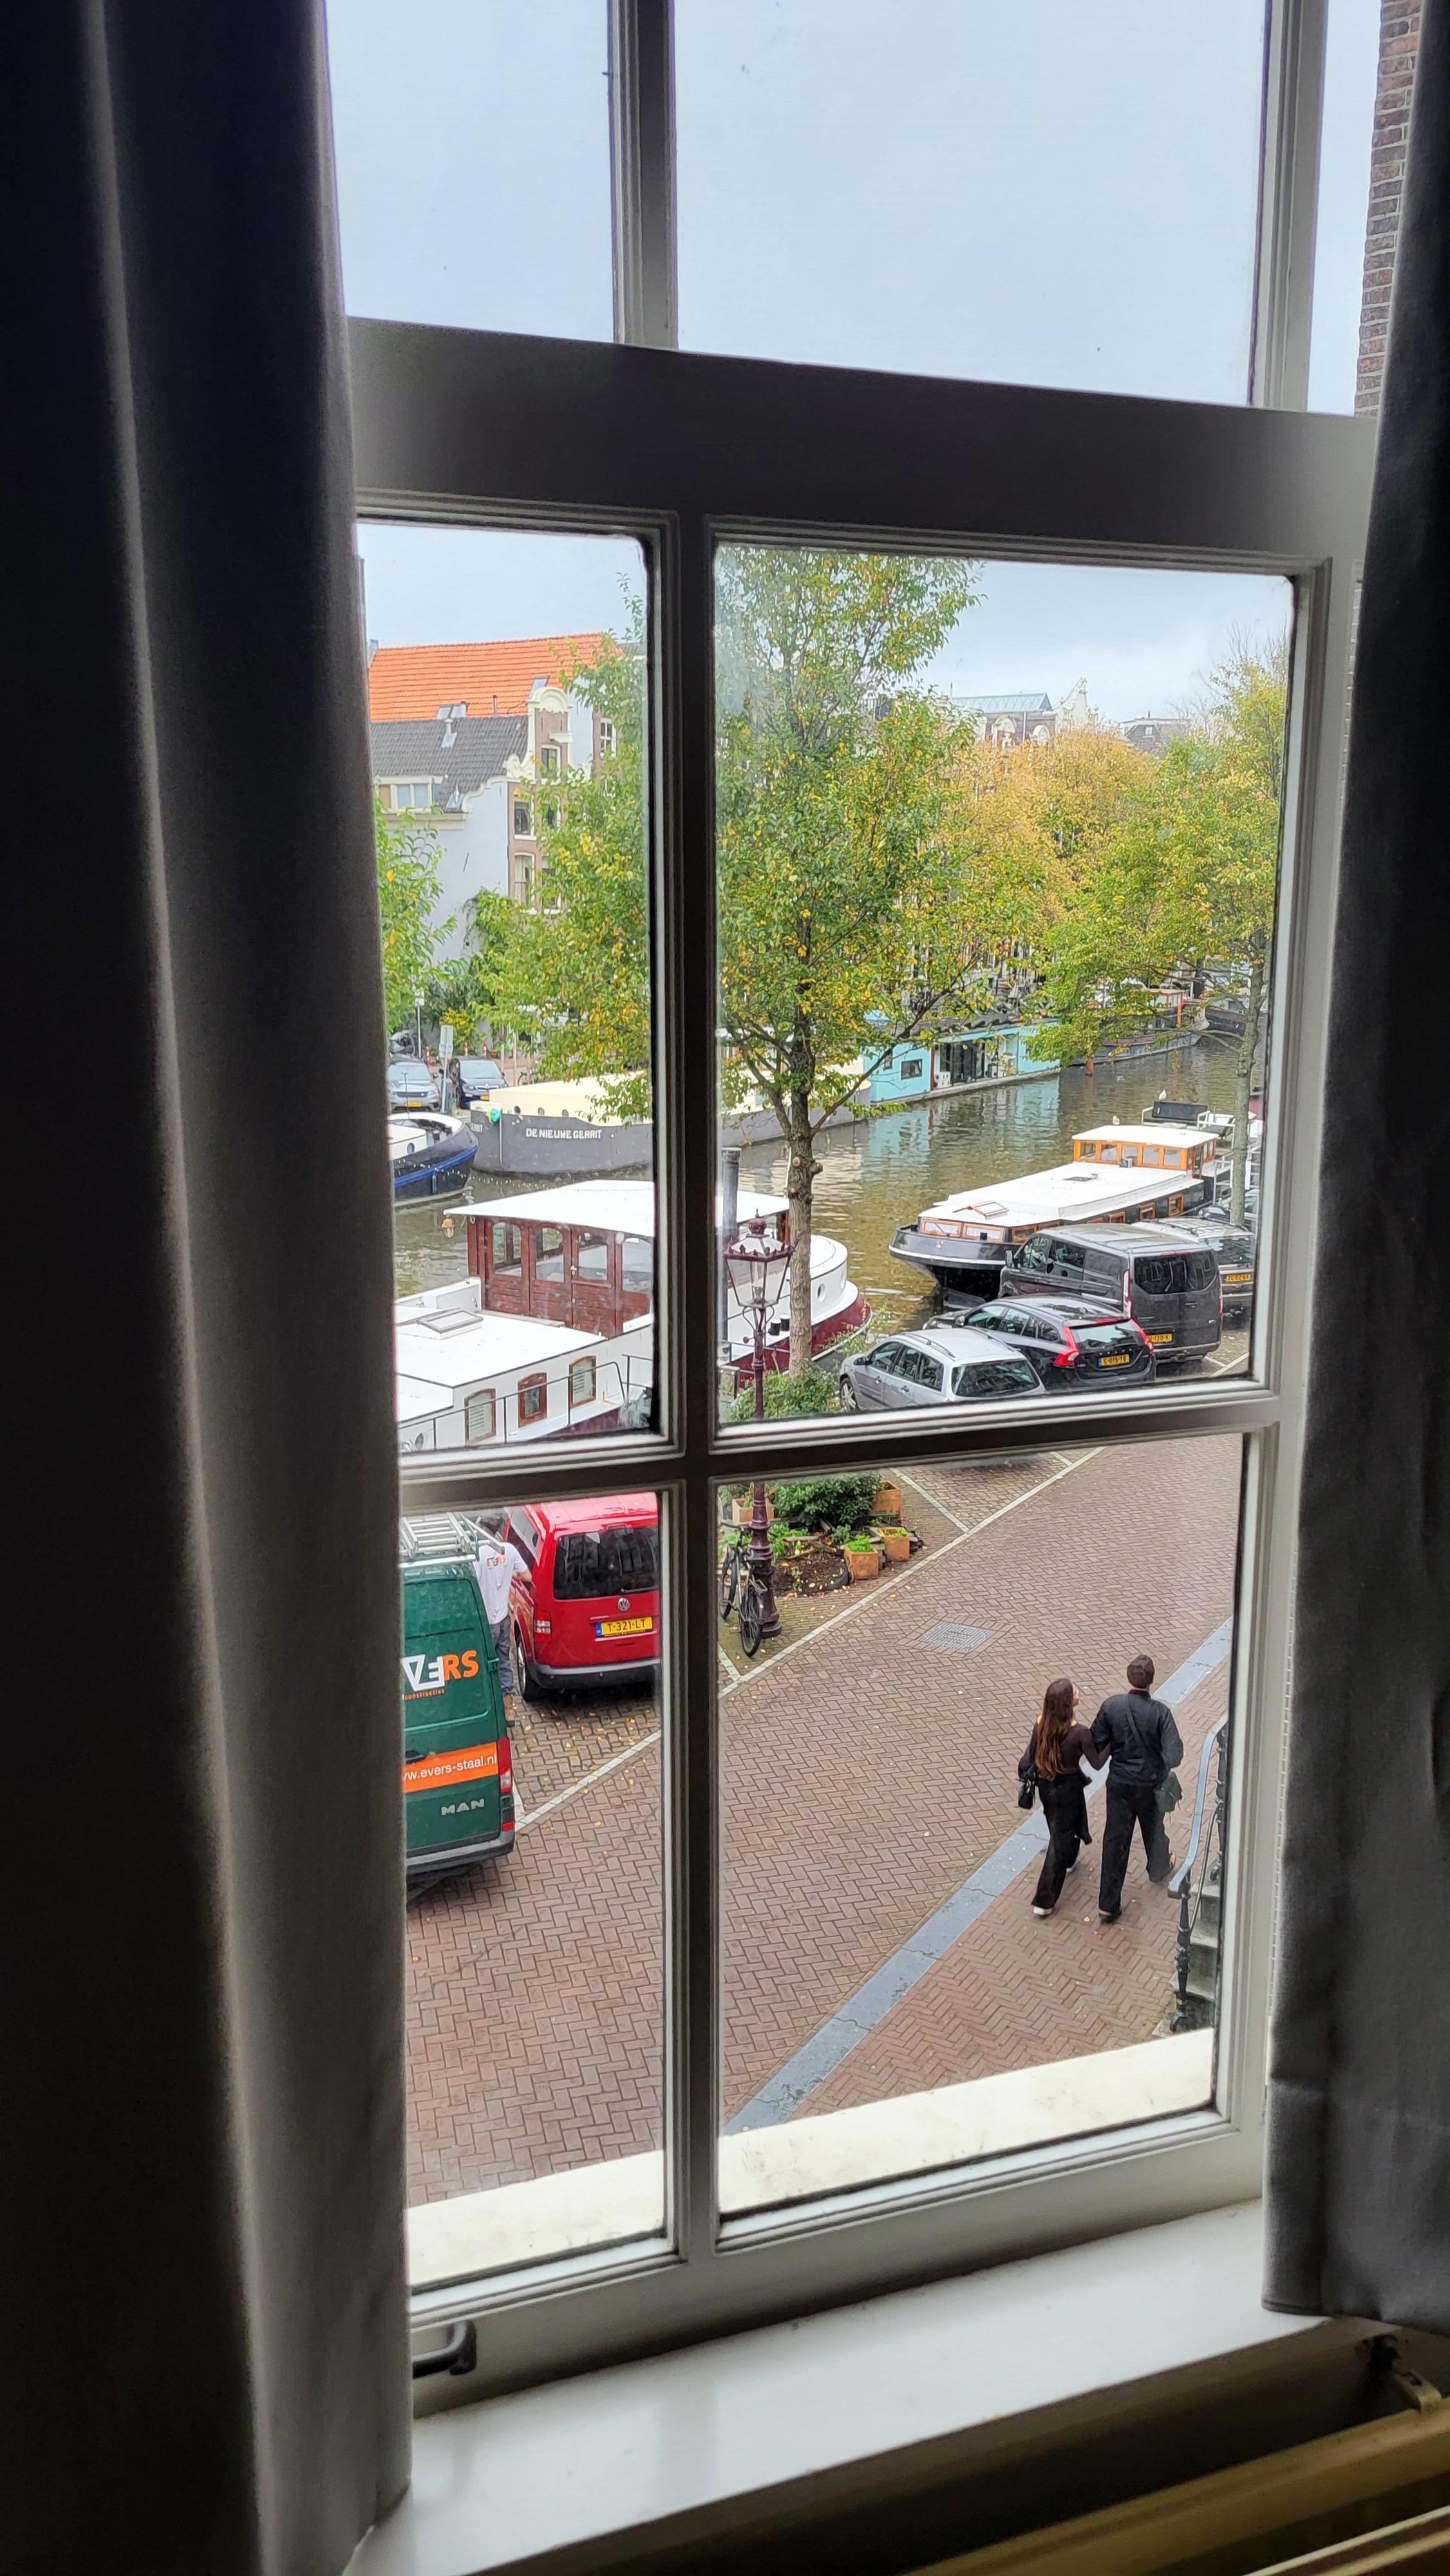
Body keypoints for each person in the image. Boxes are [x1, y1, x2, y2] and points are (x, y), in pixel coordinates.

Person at [1091, 1653, 1183, 1922]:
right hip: (1149, 1784)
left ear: (1128, 1677)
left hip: (1120, 1783)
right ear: (1151, 1680)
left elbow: (1097, 1741)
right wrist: (1157, 1764)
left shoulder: (1111, 1707)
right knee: (1153, 1828)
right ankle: (1158, 1868)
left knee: (1115, 1839)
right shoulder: (1161, 1713)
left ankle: (1108, 1905)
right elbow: (1174, 1755)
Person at [1019, 1677, 1094, 1918]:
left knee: (1059, 1826)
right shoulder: (1079, 1732)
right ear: (1068, 1703)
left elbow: (1031, 1755)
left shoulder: (1041, 1722)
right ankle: (1045, 1899)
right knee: (1059, 1839)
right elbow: (1097, 1759)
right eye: (1075, 1692)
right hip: (1068, 1790)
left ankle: (1070, 1857)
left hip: (1046, 1786)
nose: (1079, 1693)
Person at [475, 1517, 525, 1700]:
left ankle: (489, 1698)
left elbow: (474, 1581)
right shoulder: (509, 1550)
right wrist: (510, 1574)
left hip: (487, 1622)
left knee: (485, 1661)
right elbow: (527, 1576)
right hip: (504, 1618)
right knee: (504, 1659)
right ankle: (507, 1697)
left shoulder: (478, 1555)